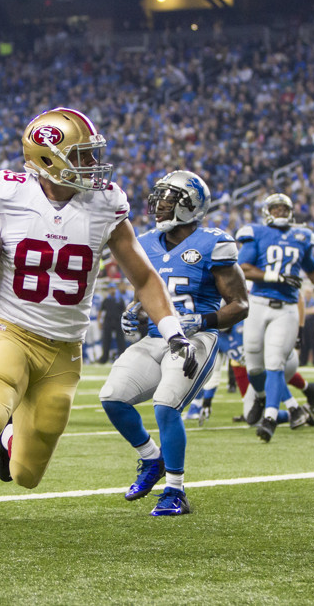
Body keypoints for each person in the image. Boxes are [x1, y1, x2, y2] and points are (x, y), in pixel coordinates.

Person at [0, 106, 198, 572]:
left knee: (27, 474)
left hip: (64, 352)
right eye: (82, 156)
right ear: (48, 159)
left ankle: (11, 438)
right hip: (8, 330)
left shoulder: (107, 203)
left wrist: (172, 331)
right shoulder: (4, 192)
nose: (93, 166)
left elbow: (142, 275)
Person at [100, 170, 249, 515]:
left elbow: (240, 305)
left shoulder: (214, 242)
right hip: (155, 338)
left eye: (168, 200)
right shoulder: (147, 242)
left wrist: (202, 320)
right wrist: (136, 310)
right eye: (159, 200)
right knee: (112, 397)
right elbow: (146, 291)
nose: (159, 207)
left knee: (166, 404)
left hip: (195, 339)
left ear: (190, 205)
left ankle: (175, 491)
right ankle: (152, 459)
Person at [235, 193, 314, 441]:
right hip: (259, 303)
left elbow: (312, 269)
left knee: (274, 362)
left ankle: (270, 417)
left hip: (287, 307)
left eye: (283, 208)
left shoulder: (301, 236)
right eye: (275, 208)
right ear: (268, 211)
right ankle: (261, 398)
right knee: (254, 363)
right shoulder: (256, 232)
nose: (280, 212)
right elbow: (242, 267)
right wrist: (276, 277)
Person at [98, 283, 128, 363]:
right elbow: (101, 311)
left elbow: (124, 311)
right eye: (110, 288)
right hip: (108, 321)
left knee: (120, 340)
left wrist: (125, 321)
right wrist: (99, 322)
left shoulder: (119, 299)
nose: (112, 290)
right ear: (108, 290)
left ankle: (122, 356)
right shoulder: (106, 300)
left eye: (113, 288)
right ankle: (104, 357)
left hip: (118, 321)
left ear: (115, 289)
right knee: (106, 340)